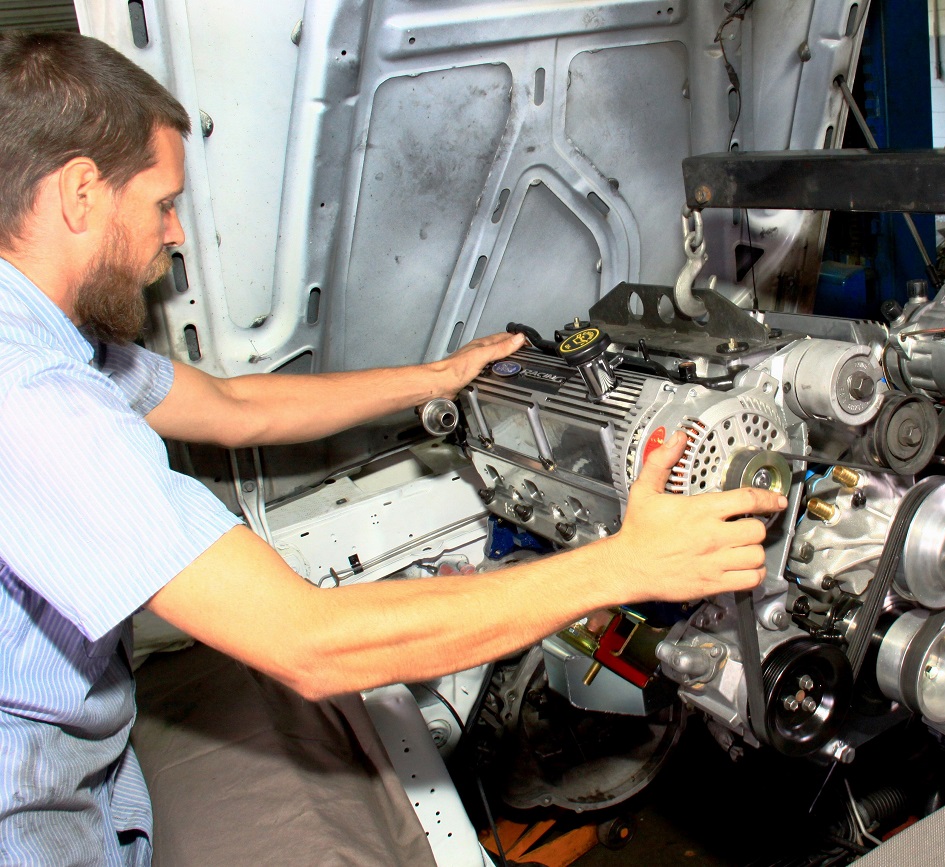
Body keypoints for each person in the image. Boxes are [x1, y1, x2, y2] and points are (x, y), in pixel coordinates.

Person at [0, 29, 785, 865]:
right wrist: (626, 565)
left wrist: (437, 377)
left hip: (92, 775)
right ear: (80, 193)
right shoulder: (36, 403)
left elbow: (232, 406)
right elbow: (312, 643)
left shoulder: (50, 340)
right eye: (162, 202)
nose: (177, 233)